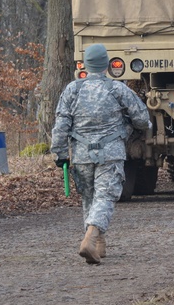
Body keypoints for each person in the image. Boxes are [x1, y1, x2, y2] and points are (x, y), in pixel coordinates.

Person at [51, 44, 151, 264]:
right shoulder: (118, 89)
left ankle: (99, 245)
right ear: (106, 65)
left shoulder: (72, 90)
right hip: (111, 153)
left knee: (90, 198)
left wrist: (59, 153)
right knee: (105, 197)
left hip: (81, 154)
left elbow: (61, 125)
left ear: (86, 65)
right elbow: (142, 119)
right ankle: (90, 238)